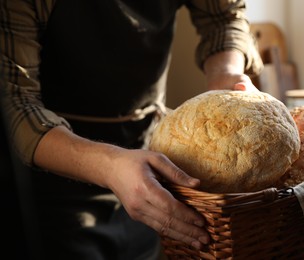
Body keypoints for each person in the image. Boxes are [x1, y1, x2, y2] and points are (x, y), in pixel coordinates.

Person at [0, 0, 263, 259]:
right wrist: (109, 166)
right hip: (51, 180)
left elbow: (222, 17)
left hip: (148, 163)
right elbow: (15, 104)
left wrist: (226, 76)